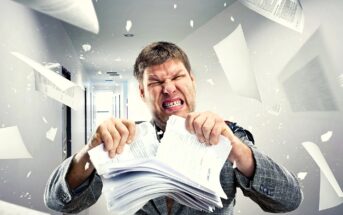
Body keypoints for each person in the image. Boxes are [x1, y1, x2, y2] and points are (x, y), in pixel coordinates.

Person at [44, 41, 302, 214]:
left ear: (192, 81)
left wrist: (236, 148)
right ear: (142, 92)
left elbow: (288, 200)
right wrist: (90, 152)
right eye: (156, 81)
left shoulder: (229, 135)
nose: (168, 88)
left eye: (177, 77)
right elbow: (58, 202)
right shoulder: (125, 141)